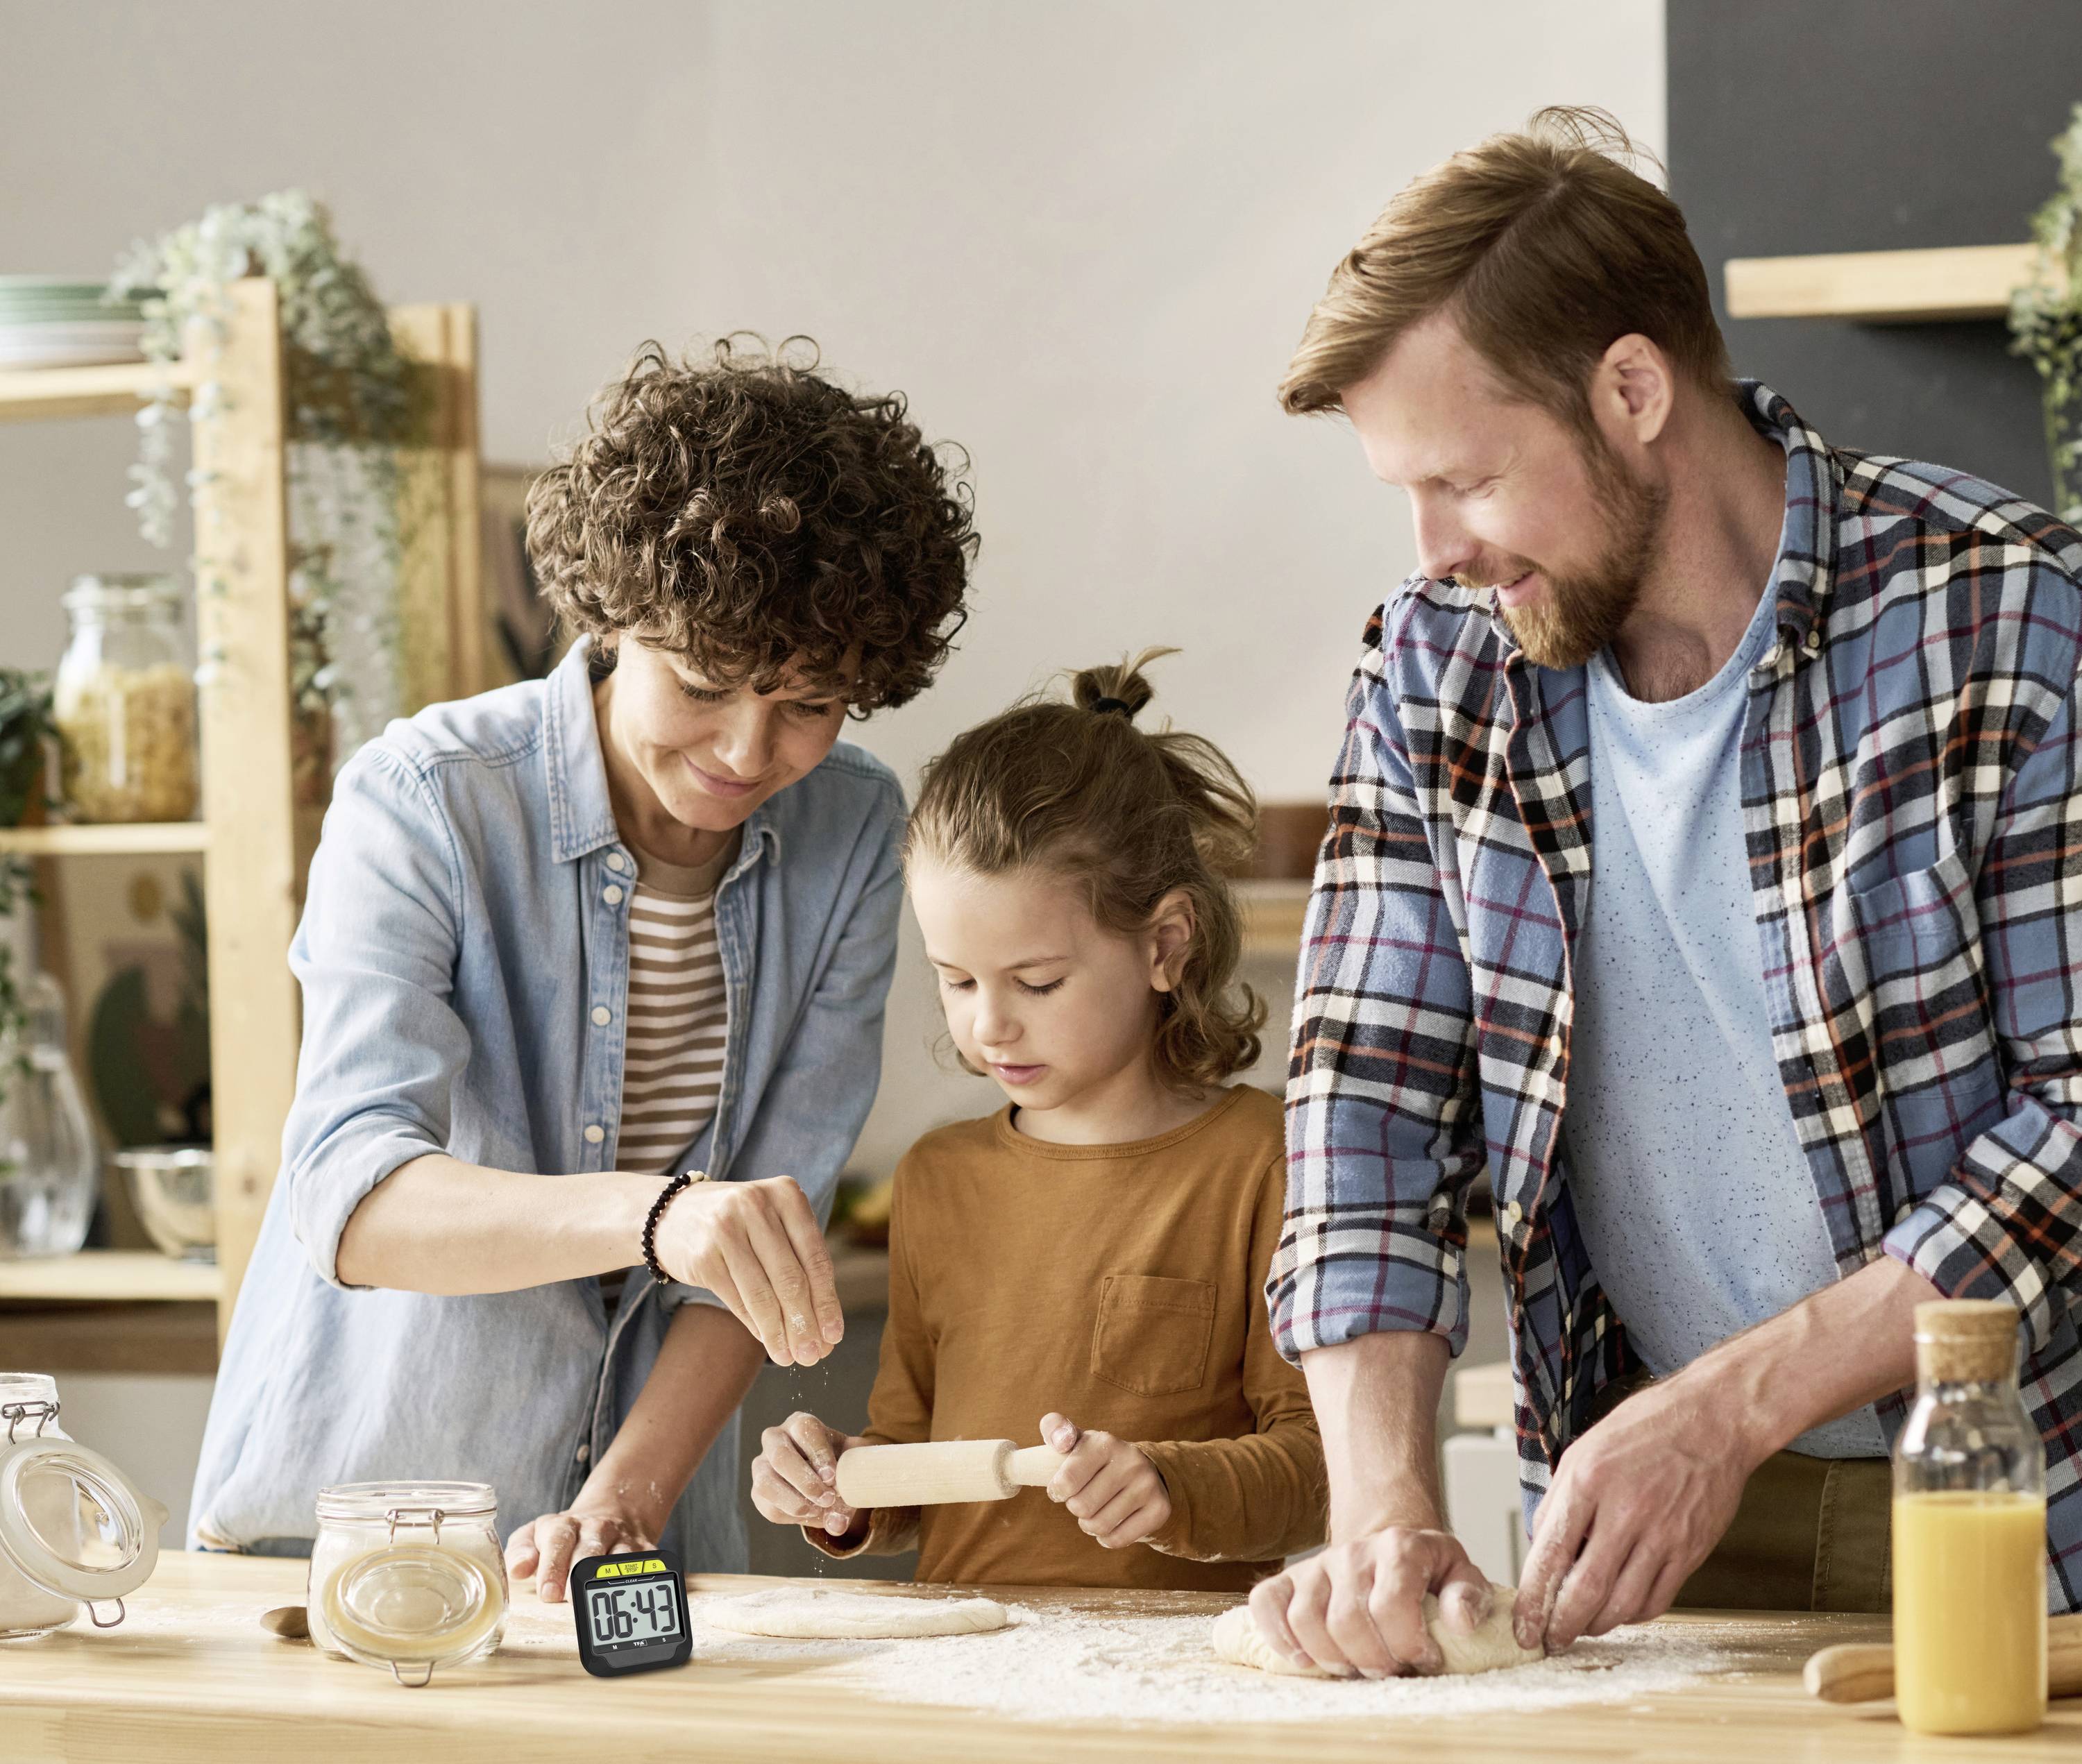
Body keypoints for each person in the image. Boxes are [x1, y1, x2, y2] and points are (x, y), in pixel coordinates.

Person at [1251, 106, 2082, 1677]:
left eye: (1469, 480)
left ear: (1633, 391)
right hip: (1637, 1536)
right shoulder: (1433, 672)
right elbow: (1365, 1106)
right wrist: (1382, 1503)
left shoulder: (2010, 620)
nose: (1431, 550)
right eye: (1402, 493)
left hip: (2026, 1502)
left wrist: (1740, 1395)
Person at [188, 337, 978, 1600]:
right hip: (360, 1526)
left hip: (638, 1541)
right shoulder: (428, 798)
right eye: (706, 683)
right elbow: (350, 1195)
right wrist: (662, 1214)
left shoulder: (854, 832)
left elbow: (768, 1243)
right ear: (608, 617)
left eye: (811, 704)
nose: (746, 748)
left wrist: (624, 1501)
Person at [747, 654, 1326, 1588]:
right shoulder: (940, 1178)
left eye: (1037, 981)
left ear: (1164, 945)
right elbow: (910, 1454)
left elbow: (1318, 1469)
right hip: (968, 1672)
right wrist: (842, 1485)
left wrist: (1170, 1485)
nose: (989, 1023)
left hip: (1176, 1692)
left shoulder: (1259, 1160)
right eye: (956, 978)